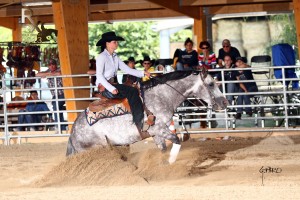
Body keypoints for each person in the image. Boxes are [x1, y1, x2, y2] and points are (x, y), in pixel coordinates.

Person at [95, 31, 154, 134]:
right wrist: (111, 88)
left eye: (116, 42)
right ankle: (139, 122)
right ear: (107, 43)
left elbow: (128, 70)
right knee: (132, 91)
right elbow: (99, 75)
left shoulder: (115, 57)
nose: (116, 43)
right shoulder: (101, 57)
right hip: (105, 87)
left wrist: (143, 73)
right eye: (114, 42)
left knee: (135, 89)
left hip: (113, 85)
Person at [36, 58, 67, 131]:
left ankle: (58, 126)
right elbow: (37, 74)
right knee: (58, 109)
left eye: (53, 64)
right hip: (55, 95)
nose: (52, 66)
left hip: (62, 93)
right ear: (48, 66)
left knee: (56, 108)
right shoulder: (48, 71)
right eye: (50, 65)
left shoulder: (59, 69)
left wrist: (47, 74)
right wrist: (49, 74)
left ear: (56, 65)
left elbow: (59, 73)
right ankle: (61, 127)